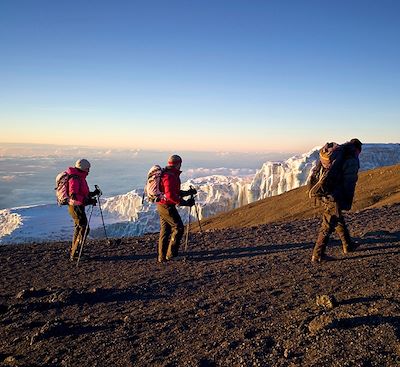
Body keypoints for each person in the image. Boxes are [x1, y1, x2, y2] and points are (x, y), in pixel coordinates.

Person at [311, 138, 363, 262]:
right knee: (328, 223)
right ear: (357, 149)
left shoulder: (339, 155)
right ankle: (318, 254)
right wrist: (347, 199)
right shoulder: (351, 159)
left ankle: (348, 245)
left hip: (326, 191)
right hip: (335, 194)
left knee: (337, 218)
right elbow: (349, 182)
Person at [156, 154, 196, 263]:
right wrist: (185, 203)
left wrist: (187, 193)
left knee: (165, 230)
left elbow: (173, 192)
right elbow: (171, 196)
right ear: (178, 164)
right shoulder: (170, 176)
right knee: (178, 228)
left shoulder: (167, 174)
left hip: (161, 205)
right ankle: (171, 255)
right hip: (167, 207)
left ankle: (162, 257)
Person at [67, 159, 99, 261]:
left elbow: (82, 193)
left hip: (77, 207)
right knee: (83, 228)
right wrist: (88, 201)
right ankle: (76, 253)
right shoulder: (75, 179)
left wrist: (93, 194)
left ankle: (75, 250)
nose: (88, 171)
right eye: (87, 169)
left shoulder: (80, 178)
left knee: (80, 228)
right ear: (83, 168)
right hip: (76, 207)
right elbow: (74, 196)